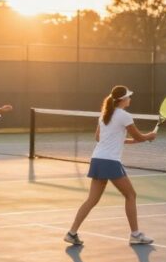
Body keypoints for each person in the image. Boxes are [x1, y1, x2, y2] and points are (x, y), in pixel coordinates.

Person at [63, 85, 157, 246]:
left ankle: (71, 233)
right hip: (110, 161)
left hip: (97, 159)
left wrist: (132, 140)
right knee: (130, 195)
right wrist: (149, 136)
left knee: (91, 200)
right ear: (123, 100)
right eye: (128, 97)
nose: (130, 99)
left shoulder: (104, 115)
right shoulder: (124, 116)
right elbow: (138, 136)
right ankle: (135, 235)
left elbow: (100, 138)